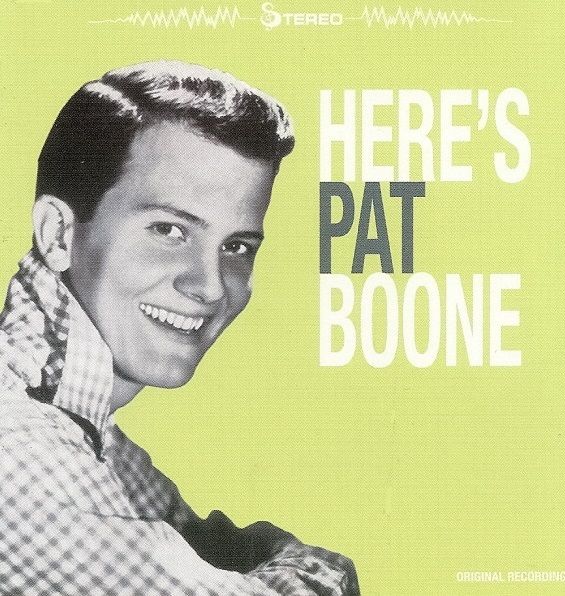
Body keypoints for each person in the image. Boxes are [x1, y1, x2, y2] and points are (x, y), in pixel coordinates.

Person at [0, 61, 359, 595]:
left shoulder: (81, 422)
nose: (211, 286)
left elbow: (208, 543)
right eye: (169, 230)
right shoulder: (18, 452)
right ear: (58, 235)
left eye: (236, 246)